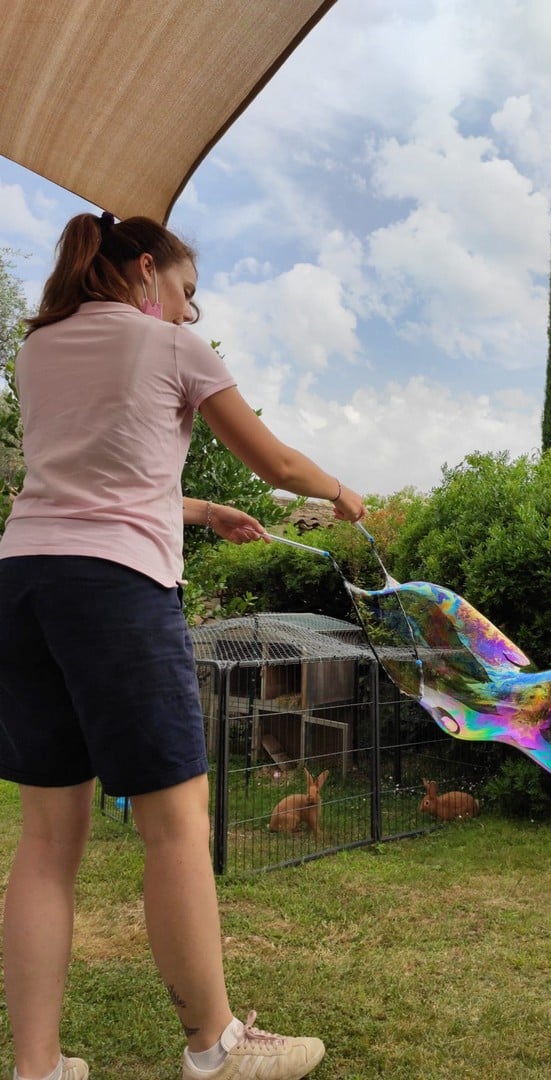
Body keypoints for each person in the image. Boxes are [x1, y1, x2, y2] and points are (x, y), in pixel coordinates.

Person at [0, 212, 365, 1080]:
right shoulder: (168, 346)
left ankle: (38, 1068)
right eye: (187, 292)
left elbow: (88, 474)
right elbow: (276, 465)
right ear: (144, 270)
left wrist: (198, 511)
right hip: (115, 590)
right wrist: (347, 495)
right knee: (175, 828)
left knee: (47, 841)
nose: (192, 314)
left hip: (21, 582)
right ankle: (217, 1046)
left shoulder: (37, 350)